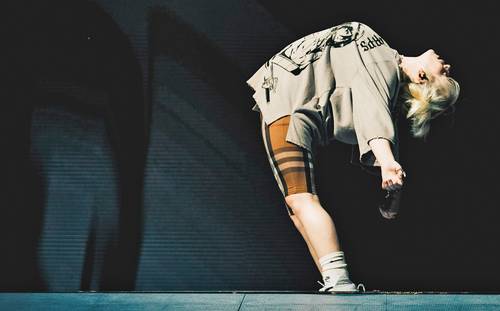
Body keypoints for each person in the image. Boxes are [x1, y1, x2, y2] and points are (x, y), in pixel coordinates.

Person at [246, 21, 460, 293]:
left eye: (445, 76)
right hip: (284, 100)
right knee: (297, 207)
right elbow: (376, 113)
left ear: (422, 77)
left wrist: (387, 165)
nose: (449, 67)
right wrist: (391, 188)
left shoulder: (381, 63)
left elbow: (374, 113)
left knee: (301, 201)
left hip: (290, 109)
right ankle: (334, 281)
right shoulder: (384, 67)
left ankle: (339, 281)